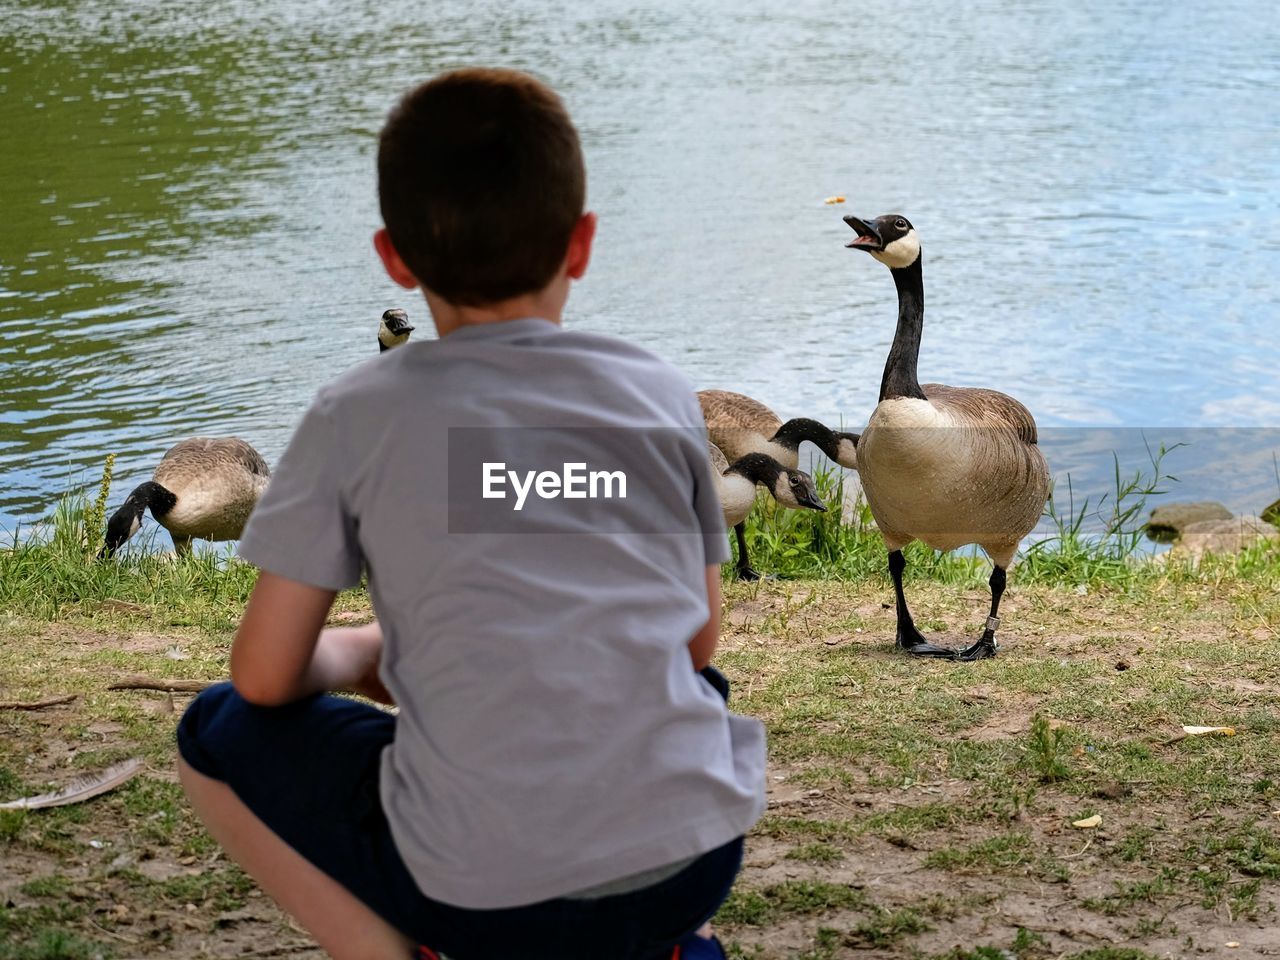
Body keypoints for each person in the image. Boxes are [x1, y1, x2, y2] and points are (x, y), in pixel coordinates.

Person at [175, 67, 766, 960]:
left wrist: (368, 650)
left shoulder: (355, 413)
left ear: (394, 257)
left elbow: (262, 679)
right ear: (581, 244)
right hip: (685, 864)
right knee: (688, 700)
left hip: (470, 886)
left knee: (212, 735)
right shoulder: (656, 395)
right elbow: (694, 642)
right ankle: (668, 945)